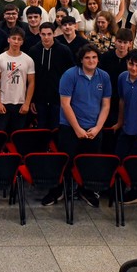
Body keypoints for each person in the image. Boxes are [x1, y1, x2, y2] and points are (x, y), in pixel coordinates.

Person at [43, 45, 112, 208]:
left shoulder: (104, 77)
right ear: (81, 59)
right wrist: (77, 129)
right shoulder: (70, 75)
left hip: (93, 129)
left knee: (89, 163)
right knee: (66, 162)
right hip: (70, 127)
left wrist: (97, 128)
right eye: (87, 57)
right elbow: (65, 104)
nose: (91, 61)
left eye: (94, 57)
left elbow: (106, 105)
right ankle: (59, 190)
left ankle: (86, 191)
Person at [28, 22, 76, 130]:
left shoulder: (64, 50)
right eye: (43, 34)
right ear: (39, 34)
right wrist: (32, 100)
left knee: (56, 128)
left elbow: (71, 74)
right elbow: (31, 78)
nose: (46, 37)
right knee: (41, 127)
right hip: (40, 98)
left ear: (54, 34)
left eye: (49, 34)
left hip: (58, 98)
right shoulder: (33, 51)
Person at [0, 27, 35, 134]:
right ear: (8, 39)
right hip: (3, 102)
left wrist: (27, 103)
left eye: (19, 39)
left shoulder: (28, 60)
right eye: (13, 38)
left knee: (16, 135)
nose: (16, 41)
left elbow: (32, 82)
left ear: (22, 42)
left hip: (20, 103)